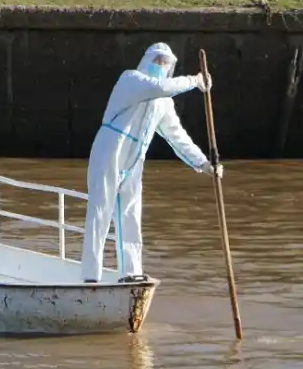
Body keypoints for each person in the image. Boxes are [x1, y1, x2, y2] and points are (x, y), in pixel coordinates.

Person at [80, 42, 222, 284]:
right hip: (110, 150)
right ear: (147, 60)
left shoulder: (163, 103)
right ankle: (91, 277)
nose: (160, 66)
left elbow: (178, 138)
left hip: (135, 160)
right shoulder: (131, 79)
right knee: (100, 211)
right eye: (157, 61)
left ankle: (131, 273)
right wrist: (195, 81)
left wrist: (205, 164)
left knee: (131, 215)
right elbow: (161, 86)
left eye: (165, 63)